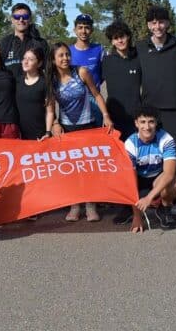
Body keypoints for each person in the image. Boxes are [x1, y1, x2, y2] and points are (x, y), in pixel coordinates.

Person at [49, 42, 113, 222]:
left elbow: (97, 95)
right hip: (67, 128)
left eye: (67, 54)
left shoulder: (81, 72)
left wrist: (106, 116)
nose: (65, 58)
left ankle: (91, 204)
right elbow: (50, 106)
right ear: (53, 60)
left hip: (87, 126)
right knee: (71, 169)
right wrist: (55, 123)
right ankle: (74, 205)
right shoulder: (51, 79)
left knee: (87, 168)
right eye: (61, 55)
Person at [136, 6, 176, 148]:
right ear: (148, 25)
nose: (157, 26)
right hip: (149, 110)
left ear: (167, 23)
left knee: (174, 147)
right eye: (153, 23)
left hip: (173, 109)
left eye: (161, 22)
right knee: (151, 149)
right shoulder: (140, 47)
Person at [123, 106, 176, 231]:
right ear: (136, 123)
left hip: (158, 177)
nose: (147, 127)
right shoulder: (130, 144)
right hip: (139, 179)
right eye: (143, 122)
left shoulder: (166, 139)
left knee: (174, 182)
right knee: (122, 180)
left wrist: (149, 198)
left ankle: (165, 208)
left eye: (151, 122)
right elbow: (130, 181)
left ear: (156, 123)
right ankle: (130, 210)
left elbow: (169, 174)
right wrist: (137, 216)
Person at [102, 21, 141, 140]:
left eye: (122, 36)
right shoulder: (106, 61)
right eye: (116, 38)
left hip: (136, 117)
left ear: (128, 36)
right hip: (114, 118)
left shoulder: (139, 59)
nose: (120, 41)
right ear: (112, 42)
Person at [69, 13, 104, 126]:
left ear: (91, 30)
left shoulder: (99, 49)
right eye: (80, 27)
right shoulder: (68, 52)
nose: (83, 31)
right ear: (75, 30)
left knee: (97, 132)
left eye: (87, 27)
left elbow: (103, 73)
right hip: (75, 100)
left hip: (95, 98)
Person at [15, 47, 55, 140]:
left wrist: (48, 132)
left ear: (39, 63)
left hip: (39, 134)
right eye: (24, 58)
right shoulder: (17, 81)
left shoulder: (45, 83)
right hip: (19, 135)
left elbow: (50, 111)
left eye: (30, 59)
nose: (26, 62)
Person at [0, 2, 49, 77]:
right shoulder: (4, 43)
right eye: (17, 17)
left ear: (30, 19)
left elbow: (48, 69)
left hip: (35, 84)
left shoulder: (40, 43)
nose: (21, 20)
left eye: (25, 16)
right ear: (12, 20)